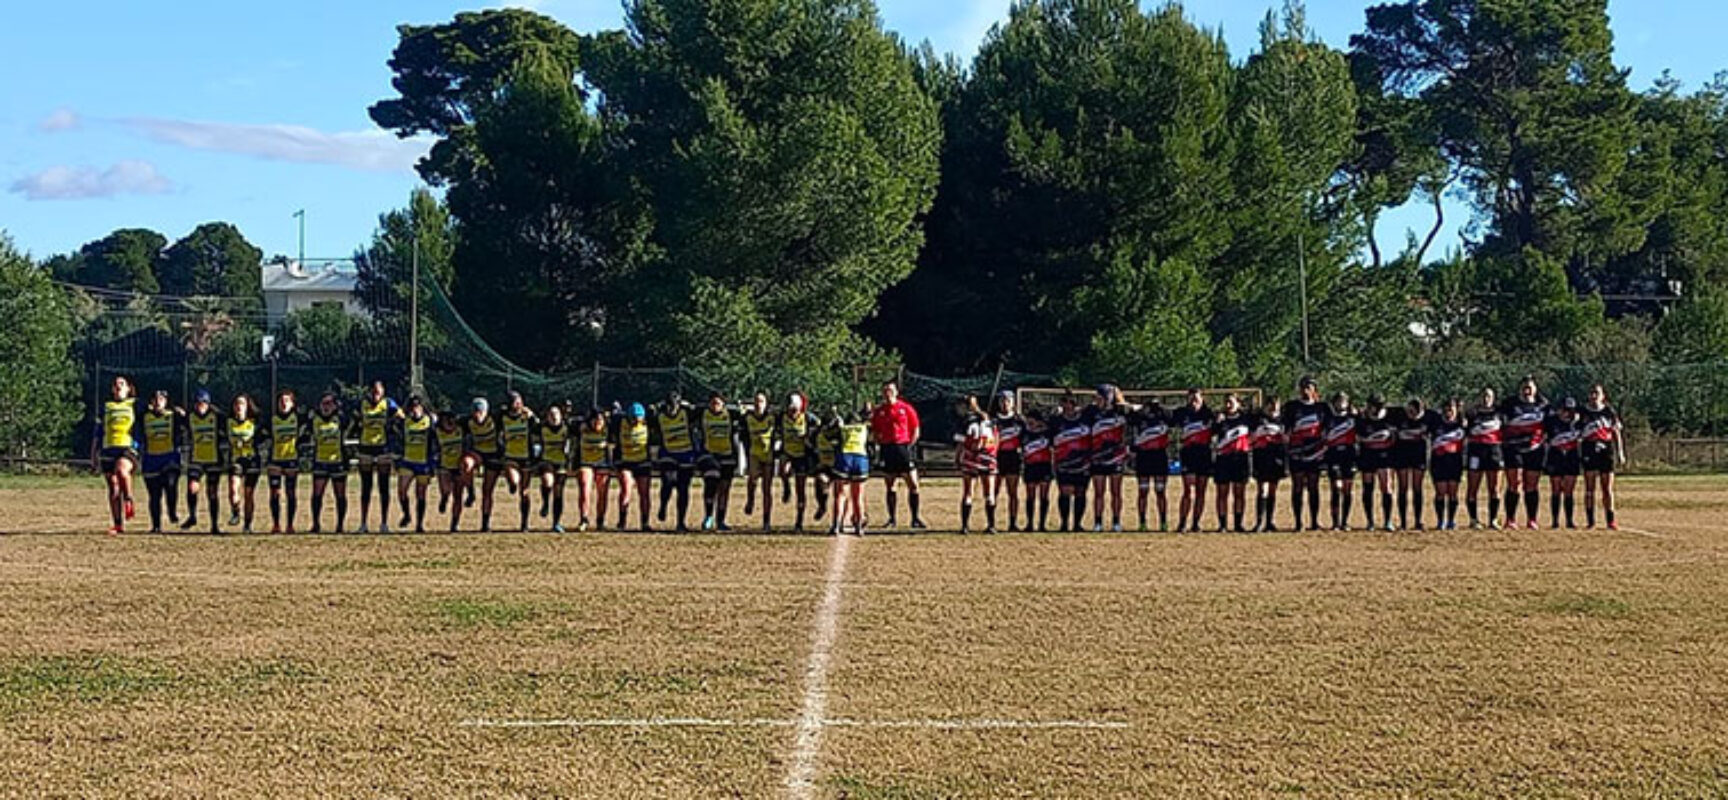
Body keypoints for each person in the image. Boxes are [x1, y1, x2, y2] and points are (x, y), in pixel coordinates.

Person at [870, 380, 926, 529]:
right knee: (890, 484)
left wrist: (909, 445)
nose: (888, 393)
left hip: (903, 447)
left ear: (896, 392)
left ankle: (915, 518)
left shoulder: (906, 408)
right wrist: (879, 443)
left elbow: (915, 428)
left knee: (913, 484)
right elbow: (875, 430)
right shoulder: (879, 411)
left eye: (891, 390)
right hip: (888, 449)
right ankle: (892, 519)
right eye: (885, 390)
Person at [352, 381, 401, 533]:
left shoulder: (388, 403)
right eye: (373, 391)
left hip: (383, 448)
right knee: (366, 487)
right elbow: (354, 419)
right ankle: (363, 523)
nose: (375, 394)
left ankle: (384, 523)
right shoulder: (362, 404)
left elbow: (402, 417)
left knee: (383, 487)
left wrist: (392, 424)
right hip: (366, 447)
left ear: (383, 392)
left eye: (378, 392)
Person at [92, 375, 139, 535]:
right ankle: (118, 524)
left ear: (128, 388)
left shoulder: (134, 405)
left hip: (127, 447)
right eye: (116, 384)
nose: (118, 386)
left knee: (121, 470)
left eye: (122, 384)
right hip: (108, 448)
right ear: (112, 389)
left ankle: (129, 499)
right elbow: (97, 433)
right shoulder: (106, 407)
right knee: (113, 488)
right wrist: (94, 454)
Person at [1502, 376, 1549, 530]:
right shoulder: (1509, 404)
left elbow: (1553, 423)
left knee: (1531, 485)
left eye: (1530, 387)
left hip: (1535, 449)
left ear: (1535, 389)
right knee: (1514, 483)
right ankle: (1510, 519)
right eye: (1524, 386)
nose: (1527, 389)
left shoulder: (1543, 405)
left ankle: (1532, 519)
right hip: (1513, 448)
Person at [1283, 377, 1328, 531]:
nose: (1305, 390)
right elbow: (1286, 429)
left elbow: (1328, 427)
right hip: (1297, 451)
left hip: (1315, 451)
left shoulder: (1322, 408)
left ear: (1315, 389)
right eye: (1303, 387)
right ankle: (1298, 522)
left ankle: (1314, 521)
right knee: (1297, 486)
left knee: (1313, 487)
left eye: (1309, 387)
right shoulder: (1292, 407)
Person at [138, 389, 184, 534]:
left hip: (170, 457)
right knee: (154, 495)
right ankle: (156, 526)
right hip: (151, 458)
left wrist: (183, 414)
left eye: (161, 399)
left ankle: (172, 511)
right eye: (155, 399)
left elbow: (190, 422)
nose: (158, 402)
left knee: (171, 486)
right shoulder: (144, 417)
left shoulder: (173, 416)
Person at [652, 391, 699, 531]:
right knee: (667, 481)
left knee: (683, 489)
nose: (672, 409)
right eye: (669, 406)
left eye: (675, 406)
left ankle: (680, 522)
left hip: (686, 454)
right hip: (668, 453)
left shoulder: (686, 414)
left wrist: (690, 406)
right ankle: (663, 505)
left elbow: (700, 411)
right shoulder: (660, 417)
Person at [1579, 383, 1624, 530]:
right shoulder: (1583, 412)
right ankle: (1590, 520)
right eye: (1592, 393)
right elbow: (1577, 434)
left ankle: (1610, 520)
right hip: (1589, 449)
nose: (1594, 396)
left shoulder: (1608, 412)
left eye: (1597, 393)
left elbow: (1616, 432)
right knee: (1590, 488)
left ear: (1603, 396)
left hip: (1606, 449)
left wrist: (1620, 452)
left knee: (1607, 488)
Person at [181, 389, 225, 534]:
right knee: (192, 488)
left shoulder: (217, 417)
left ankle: (214, 525)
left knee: (212, 492)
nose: (201, 406)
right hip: (196, 458)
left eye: (204, 403)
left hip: (213, 459)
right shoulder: (190, 417)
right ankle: (192, 516)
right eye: (198, 403)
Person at [698, 392, 744, 531]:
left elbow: (745, 416)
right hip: (710, 454)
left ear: (723, 404)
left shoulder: (731, 414)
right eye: (712, 403)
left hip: (727, 455)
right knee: (711, 484)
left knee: (724, 489)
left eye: (718, 403)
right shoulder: (702, 413)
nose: (715, 406)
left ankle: (721, 520)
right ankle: (708, 516)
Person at [1171, 389, 1215, 533]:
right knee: (1188, 490)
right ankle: (1182, 522)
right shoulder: (1181, 413)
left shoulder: (1209, 414)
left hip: (1204, 455)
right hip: (1188, 455)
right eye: (1191, 399)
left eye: (1196, 398)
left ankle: (1196, 523)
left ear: (1202, 399)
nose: (1194, 401)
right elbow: (1169, 421)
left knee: (1201, 491)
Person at [307, 391, 351, 534]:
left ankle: (340, 525)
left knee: (340, 495)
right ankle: (316, 524)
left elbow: (353, 420)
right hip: (320, 460)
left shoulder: (340, 419)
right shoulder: (314, 419)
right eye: (324, 404)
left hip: (337, 461)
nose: (326, 407)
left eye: (329, 404)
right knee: (317, 494)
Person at [1088, 385, 1130, 532]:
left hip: (1116, 457)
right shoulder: (1092, 412)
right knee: (1099, 492)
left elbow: (1136, 411)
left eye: (1100, 398)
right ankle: (1098, 522)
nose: (1097, 401)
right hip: (1097, 457)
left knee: (1116, 492)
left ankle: (1116, 521)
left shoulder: (1121, 411)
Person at [955, 395, 999, 533]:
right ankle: (991, 526)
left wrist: (957, 458)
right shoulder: (989, 419)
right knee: (989, 493)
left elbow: (961, 442)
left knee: (968, 493)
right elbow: (996, 438)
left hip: (971, 458)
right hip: (987, 457)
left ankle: (965, 526)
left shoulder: (965, 421)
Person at [264, 390, 307, 534]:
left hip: (291, 460)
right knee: (275, 494)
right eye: (281, 401)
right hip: (275, 460)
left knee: (291, 493)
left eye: (287, 401)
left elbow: (307, 431)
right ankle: (276, 524)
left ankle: (290, 525)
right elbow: (263, 434)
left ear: (292, 403)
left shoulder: (298, 418)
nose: (284, 403)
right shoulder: (272, 419)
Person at [779, 392, 821, 532]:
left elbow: (820, 425)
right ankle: (786, 486)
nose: (793, 413)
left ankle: (799, 520)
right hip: (788, 452)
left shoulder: (808, 418)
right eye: (791, 409)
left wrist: (810, 438)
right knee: (783, 469)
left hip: (802, 456)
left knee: (801, 490)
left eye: (795, 409)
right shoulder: (782, 418)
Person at [1464, 387, 1506, 529]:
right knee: (1472, 487)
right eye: (1483, 396)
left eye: (1488, 396)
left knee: (1494, 488)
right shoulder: (1471, 413)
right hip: (1476, 451)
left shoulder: (1499, 412)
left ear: (1493, 398)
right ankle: (1473, 519)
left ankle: (1493, 519)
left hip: (1494, 451)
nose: (1485, 399)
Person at [1051, 392, 1093, 532]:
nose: (1068, 406)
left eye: (1071, 403)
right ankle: (1064, 523)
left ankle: (1077, 524)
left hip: (1083, 462)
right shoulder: (1056, 421)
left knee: (1081, 492)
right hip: (1064, 462)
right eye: (1065, 403)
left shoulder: (1086, 419)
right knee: (1065, 492)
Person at [1211, 394, 1252, 532]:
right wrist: (1217, 422)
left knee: (1239, 493)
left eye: (1231, 402)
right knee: (1222, 493)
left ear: (1238, 404)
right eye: (1226, 402)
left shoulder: (1246, 419)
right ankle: (1222, 524)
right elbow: (1211, 433)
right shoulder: (1220, 419)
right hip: (1223, 459)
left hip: (1240, 458)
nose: (1228, 405)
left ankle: (1238, 524)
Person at [395, 396, 436, 533]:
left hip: (423, 462)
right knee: (402, 491)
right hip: (408, 461)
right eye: (412, 407)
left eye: (418, 407)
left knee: (421, 494)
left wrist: (433, 463)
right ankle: (406, 514)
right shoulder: (405, 422)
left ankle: (419, 524)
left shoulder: (429, 421)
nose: (415, 410)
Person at [1129, 399, 1171, 532]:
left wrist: (1160, 408)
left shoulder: (1164, 415)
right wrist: (1138, 408)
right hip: (1143, 457)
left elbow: (1174, 417)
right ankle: (1142, 522)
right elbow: (1128, 416)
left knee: (1160, 491)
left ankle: (1163, 522)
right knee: (1143, 492)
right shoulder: (1139, 416)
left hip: (1159, 457)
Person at [500, 391, 539, 532]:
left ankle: (524, 523)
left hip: (526, 457)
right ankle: (511, 484)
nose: (518, 404)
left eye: (520, 401)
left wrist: (533, 417)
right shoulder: (503, 417)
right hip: (510, 455)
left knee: (525, 493)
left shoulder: (527, 416)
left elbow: (538, 428)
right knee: (514, 480)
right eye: (515, 401)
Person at [1357, 395, 1397, 531]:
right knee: (1368, 487)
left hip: (1385, 456)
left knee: (1386, 487)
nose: (1369, 408)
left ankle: (1388, 520)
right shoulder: (1362, 419)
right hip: (1368, 455)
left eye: (1372, 406)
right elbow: (1359, 437)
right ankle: (1370, 521)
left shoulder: (1391, 416)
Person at [1393, 398, 1433, 530]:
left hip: (1419, 456)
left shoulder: (1429, 417)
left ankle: (1417, 520)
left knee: (1417, 488)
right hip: (1401, 455)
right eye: (1410, 410)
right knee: (1403, 487)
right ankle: (1403, 522)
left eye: (1415, 411)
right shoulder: (1398, 416)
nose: (1412, 414)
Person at [829, 409, 870, 537]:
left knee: (840, 495)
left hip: (845, 457)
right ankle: (859, 526)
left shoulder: (843, 428)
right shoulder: (864, 428)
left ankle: (836, 525)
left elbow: (831, 433)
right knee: (858, 496)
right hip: (860, 458)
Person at [1544, 398, 1584, 528]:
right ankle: (1555, 520)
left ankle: (1569, 520)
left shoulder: (1578, 423)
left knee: (1569, 490)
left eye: (1570, 410)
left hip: (1572, 456)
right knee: (1555, 489)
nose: (1567, 413)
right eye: (1565, 410)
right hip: (1556, 456)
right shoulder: (1552, 422)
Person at [1249, 397, 1287, 533]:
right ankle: (1259, 521)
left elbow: (1287, 439)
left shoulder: (1283, 420)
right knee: (1262, 490)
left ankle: (1270, 522)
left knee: (1272, 490)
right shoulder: (1258, 419)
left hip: (1276, 459)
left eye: (1276, 405)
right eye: (1270, 405)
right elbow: (1250, 437)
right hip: (1261, 458)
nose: (1273, 408)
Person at [1427, 398, 1467, 529]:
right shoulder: (1435, 422)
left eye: (1452, 408)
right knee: (1440, 492)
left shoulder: (1462, 424)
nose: (1449, 411)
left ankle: (1451, 520)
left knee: (1453, 492)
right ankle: (1440, 521)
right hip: (1439, 461)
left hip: (1455, 461)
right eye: (1447, 408)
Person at [742, 392, 779, 530]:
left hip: (768, 455)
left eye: (761, 401)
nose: (759, 404)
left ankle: (766, 520)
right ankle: (750, 499)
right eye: (756, 401)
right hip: (754, 454)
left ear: (766, 403)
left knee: (767, 489)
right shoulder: (748, 418)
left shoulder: (772, 417)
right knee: (752, 479)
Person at [614, 403, 654, 531]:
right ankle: (622, 520)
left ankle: (645, 522)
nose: (636, 421)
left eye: (639, 418)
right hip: (626, 461)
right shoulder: (621, 423)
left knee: (644, 492)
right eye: (634, 418)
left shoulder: (647, 424)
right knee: (626, 488)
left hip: (642, 461)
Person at [225, 394, 262, 534]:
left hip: (252, 460)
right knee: (233, 489)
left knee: (248, 494)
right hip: (236, 459)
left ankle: (247, 525)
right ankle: (235, 512)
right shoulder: (228, 422)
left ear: (247, 406)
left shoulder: (254, 422)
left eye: (242, 404)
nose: (239, 406)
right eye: (236, 404)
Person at [1323, 392, 1359, 531]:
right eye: (1338, 401)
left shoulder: (1354, 418)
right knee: (1336, 488)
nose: (1341, 403)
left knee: (1347, 489)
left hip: (1349, 456)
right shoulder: (1328, 418)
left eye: (1344, 401)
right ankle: (1335, 522)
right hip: (1333, 455)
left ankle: (1345, 521)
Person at [991, 392, 1025, 532]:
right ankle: (991, 522)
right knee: (994, 492)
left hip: (1013, 458)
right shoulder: (993, 421)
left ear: (1013, 403)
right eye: (1002, 401)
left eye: (1008, 401)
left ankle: (1012, 522)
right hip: (997, 458)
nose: (1005, 403)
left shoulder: (1019, 420)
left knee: (1013, 492)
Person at [538, 403, 574, 532]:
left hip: (561, 463)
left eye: (556, 414)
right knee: (548, 482)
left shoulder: (567, 427)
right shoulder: (542, 428)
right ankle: (546, 502)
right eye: (551, 415)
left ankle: (556, 523)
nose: (554, 417)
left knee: (558, 493)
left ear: (561, 416)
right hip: (547, 460)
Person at [434, 410, 469, 531]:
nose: (449, 424)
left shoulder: (461, 431)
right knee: (446, 490)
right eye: (446, 421)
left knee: (458, 496)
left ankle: (454, 523)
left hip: (458, 466)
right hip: (444, 466)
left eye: (451, 421)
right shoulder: (437, 433)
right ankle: (444, 499)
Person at [1021, 410, 1054, 532]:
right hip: (1030, 466)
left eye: (1032, 421)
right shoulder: (1024, 433)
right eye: (1028, 421)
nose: (1030, 424)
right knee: (1030, 496)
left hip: (1044, 466)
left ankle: (1042, 524)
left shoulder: (1047, 433)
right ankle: (1029, 523)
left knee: (1044, 496)